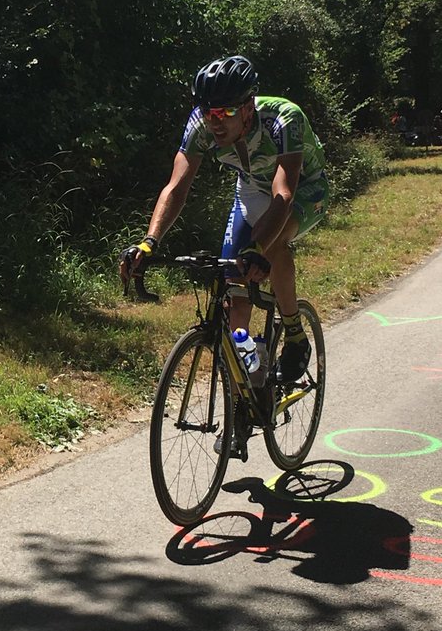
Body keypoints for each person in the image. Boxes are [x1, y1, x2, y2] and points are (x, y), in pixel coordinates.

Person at [119, 55, 329, 433]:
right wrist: (149, 242)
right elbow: (176, 187)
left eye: (226, 111)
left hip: (303, 193)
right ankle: (244, 401)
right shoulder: (202, 125)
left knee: (273, 246)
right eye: (209, 111)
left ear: (249, 106)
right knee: (234, 301)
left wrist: (258, 249)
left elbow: (283, 194)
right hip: (250, 193)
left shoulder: (284, 118)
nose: (216, 120)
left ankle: (295, 333)